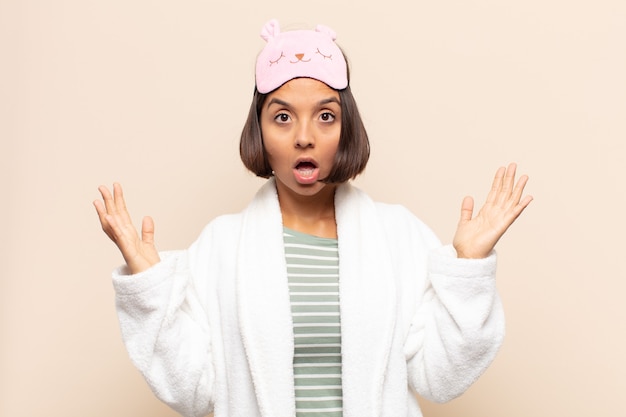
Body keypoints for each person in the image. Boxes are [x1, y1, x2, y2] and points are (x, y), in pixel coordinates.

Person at [94, 19, 532, 417]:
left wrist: (468, 269)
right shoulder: (221, 247)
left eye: (326, 116)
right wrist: (150, 288)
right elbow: (194, 390)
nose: (305, 137)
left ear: (347, 129)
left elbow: (439, 379)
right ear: (259, 133)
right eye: (282, 117)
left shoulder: (399, 237)